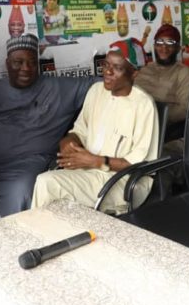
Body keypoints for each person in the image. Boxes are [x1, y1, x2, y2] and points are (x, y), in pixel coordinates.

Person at [32, 38, 159, 214]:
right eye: (106, 64)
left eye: (117, 68)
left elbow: (137, 164)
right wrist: (69, 141)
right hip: (88, 170)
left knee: (48, 183)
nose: (107, 71)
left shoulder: (144, 105)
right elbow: (80, 131)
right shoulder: (96, 91)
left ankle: (44, 237)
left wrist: (96, 161)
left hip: (123, 181)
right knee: (47, 184)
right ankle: (56, 236)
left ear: (134, 73)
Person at [0, 35, 95, 216]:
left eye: (32, 62)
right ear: (7, 64)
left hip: (25, 169)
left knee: (18, 194)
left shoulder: (59, 88)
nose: (26, 68)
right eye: (18, 62)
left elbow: (102, 86)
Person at [134, 25, 189, 125]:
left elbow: (185, 108)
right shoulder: (145, 68)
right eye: (160, 42)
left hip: (159, 127)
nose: (164, 47)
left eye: (170, 43)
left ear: (178, 48)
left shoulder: (184, 73)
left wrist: (153, 116)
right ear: (154, 46)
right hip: (133, 120)